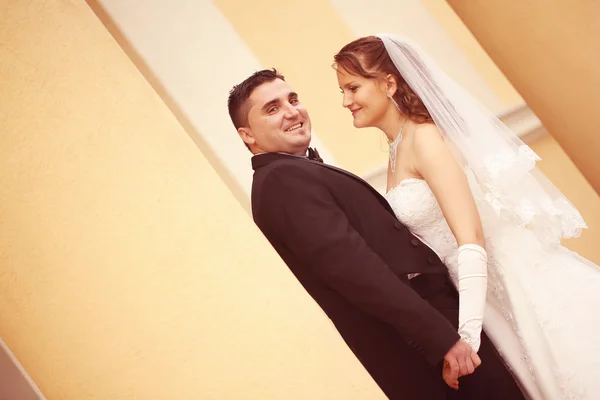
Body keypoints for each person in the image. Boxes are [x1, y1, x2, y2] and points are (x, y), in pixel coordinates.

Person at [227, 69, 525, 399]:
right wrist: (442, 340)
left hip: (435, 328)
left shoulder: (291, 173)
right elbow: (358, 272)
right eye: (272, 108)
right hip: (427, 346)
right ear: (248, 135)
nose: (291, 111)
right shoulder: (282, 182)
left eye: (293, 99)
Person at [333, 33, 600, 400]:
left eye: (352, 88)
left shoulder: (424, 137)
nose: (345, 101)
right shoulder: (398, 148)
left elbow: (471, 236)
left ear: (389, 83)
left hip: (509, 282)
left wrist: (467, 335)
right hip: (482, 296)